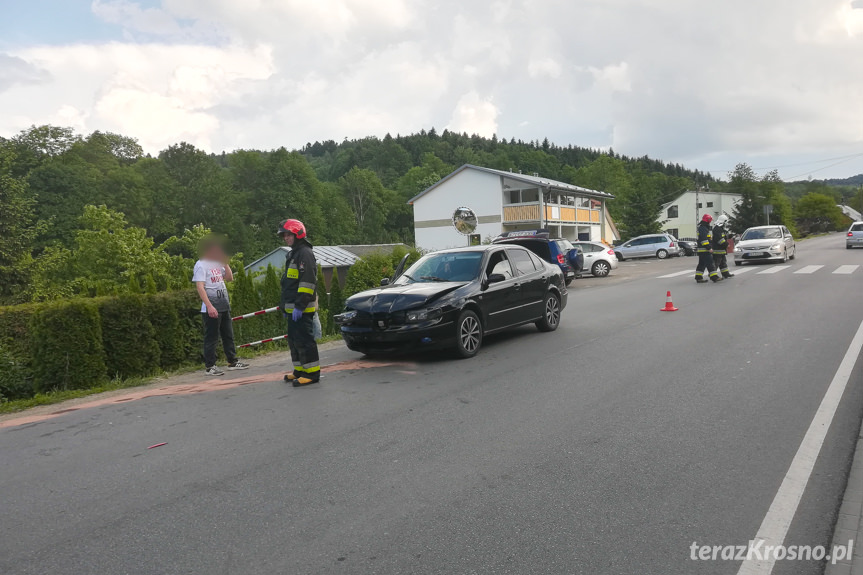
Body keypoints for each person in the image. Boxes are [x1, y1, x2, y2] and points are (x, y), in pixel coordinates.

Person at [193, 236, 249, 376]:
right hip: (211, 307)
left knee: (228, 334)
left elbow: (229, 278)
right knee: (211, 337)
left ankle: (232, 361)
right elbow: (200, 287)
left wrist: (225, 264)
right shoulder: (201, 264)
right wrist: (209, 306)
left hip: (224, 304)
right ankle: (210, 366)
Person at [278, 219, 320, 387]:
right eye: (284, 235)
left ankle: (312, 374)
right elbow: (290, 283)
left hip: (302, 308)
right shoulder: (294, 253)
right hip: (293, 308)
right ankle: (300, 370)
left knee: (305, 340)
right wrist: (285, 306)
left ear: (298, 234)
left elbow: (307, 283)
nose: (286, 238)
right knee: (295, 341)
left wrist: (300, 306)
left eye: (288, 234)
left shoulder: (305, 254)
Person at [695, 214, 722, 284]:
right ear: (708, 220)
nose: (710, 222)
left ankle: (698, 277)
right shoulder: (703, 228)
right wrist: (709, 248)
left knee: (701, 264)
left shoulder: (703, 227)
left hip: (702, 250)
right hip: (704, 250)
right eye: (710, 220)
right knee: (710, 263)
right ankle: (714, 277)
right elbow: (704, 240)